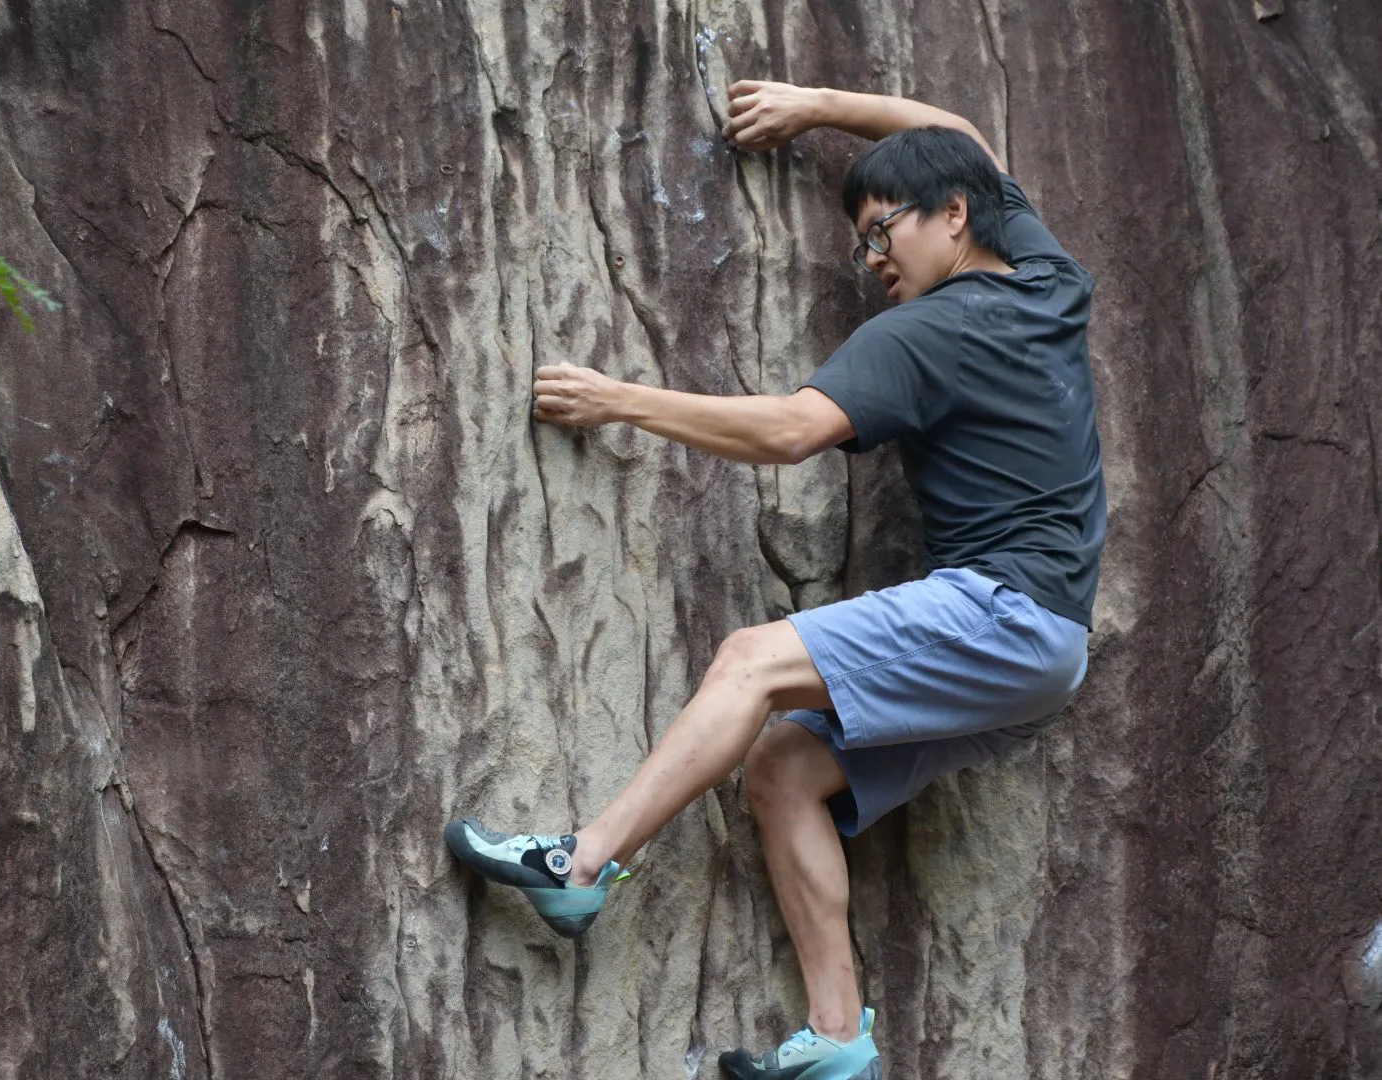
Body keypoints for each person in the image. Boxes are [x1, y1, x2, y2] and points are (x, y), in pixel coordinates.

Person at [444, 79, 1105, 1080]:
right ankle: (839, 1043)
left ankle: (580, 863)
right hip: (1042, 655)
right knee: (786, 770)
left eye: (883, 231)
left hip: (1003, 613)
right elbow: (957, 133)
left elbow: (793, 430)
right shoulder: (1044, 277)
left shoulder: (928, 331)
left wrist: (620, 399)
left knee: (751, 662)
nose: (872, 258)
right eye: (861, 242)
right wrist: (813, 105)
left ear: (954, 215)